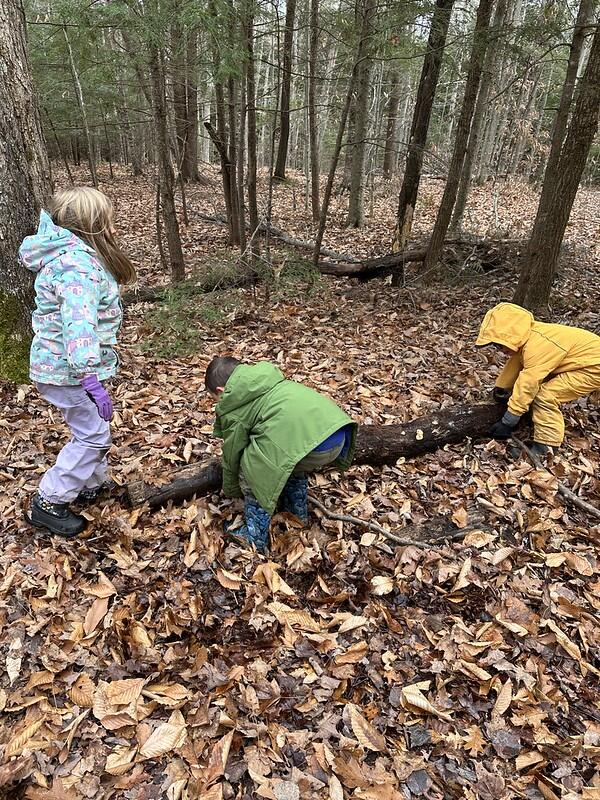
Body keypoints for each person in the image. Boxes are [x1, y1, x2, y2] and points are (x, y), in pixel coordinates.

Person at [20, 187, 136, 537]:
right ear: (91, 226)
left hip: (64, 367)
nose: (113, 230)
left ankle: (90, 482)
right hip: (68, 371)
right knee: (93, 437)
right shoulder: (77, 268)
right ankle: (49, 500)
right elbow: (79, 326)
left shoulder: (73, 258)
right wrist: (89, 378)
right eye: (107, 223)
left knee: (91, 428)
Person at [205, 356, 357, 552]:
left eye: (214, 399)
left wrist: (233, 488)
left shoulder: (234, 402)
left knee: (251, 467)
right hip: (337, 435)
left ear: (221, 391)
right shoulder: (266, 380)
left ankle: (255, 536)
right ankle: (297, 513)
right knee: (286, 450)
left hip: (312, 448)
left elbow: (233, 452)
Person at [476, 302, 600, 456]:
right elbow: (516, 363)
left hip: (593, 368)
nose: (500, 351)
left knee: (545, 396)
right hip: (583, 362)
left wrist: (508, 421)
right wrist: (502, 389)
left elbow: (529, 382)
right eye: (496, 347)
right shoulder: (527, 338)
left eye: (500, 346)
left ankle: (545, 449)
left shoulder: (538, 345)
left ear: (511, 336)